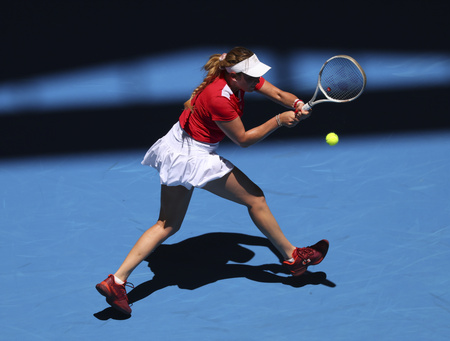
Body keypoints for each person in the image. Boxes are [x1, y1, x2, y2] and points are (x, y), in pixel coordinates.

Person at [96, 47, 329, 315]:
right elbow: (243, 139)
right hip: (193, 155)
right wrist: (278, 120)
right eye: (250, 78)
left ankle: (116, 281)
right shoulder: (219, 98)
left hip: (177, 145)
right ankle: (293, 259)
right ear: (233, 77)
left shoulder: (237, 74)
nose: (256, 81)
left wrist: (296, 104)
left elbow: (277, 93)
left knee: (167, 224)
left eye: (256, 76)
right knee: (255, 199)